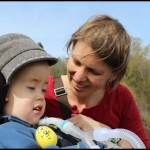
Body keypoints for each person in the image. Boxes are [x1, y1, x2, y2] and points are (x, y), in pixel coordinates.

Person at [44, 14, 150, 148]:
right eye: (76, 61)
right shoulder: (41, 89)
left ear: (113, 75)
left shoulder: (121, 98)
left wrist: (106, 133)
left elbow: (141, 145)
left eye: (93, 71)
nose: (78, 77)